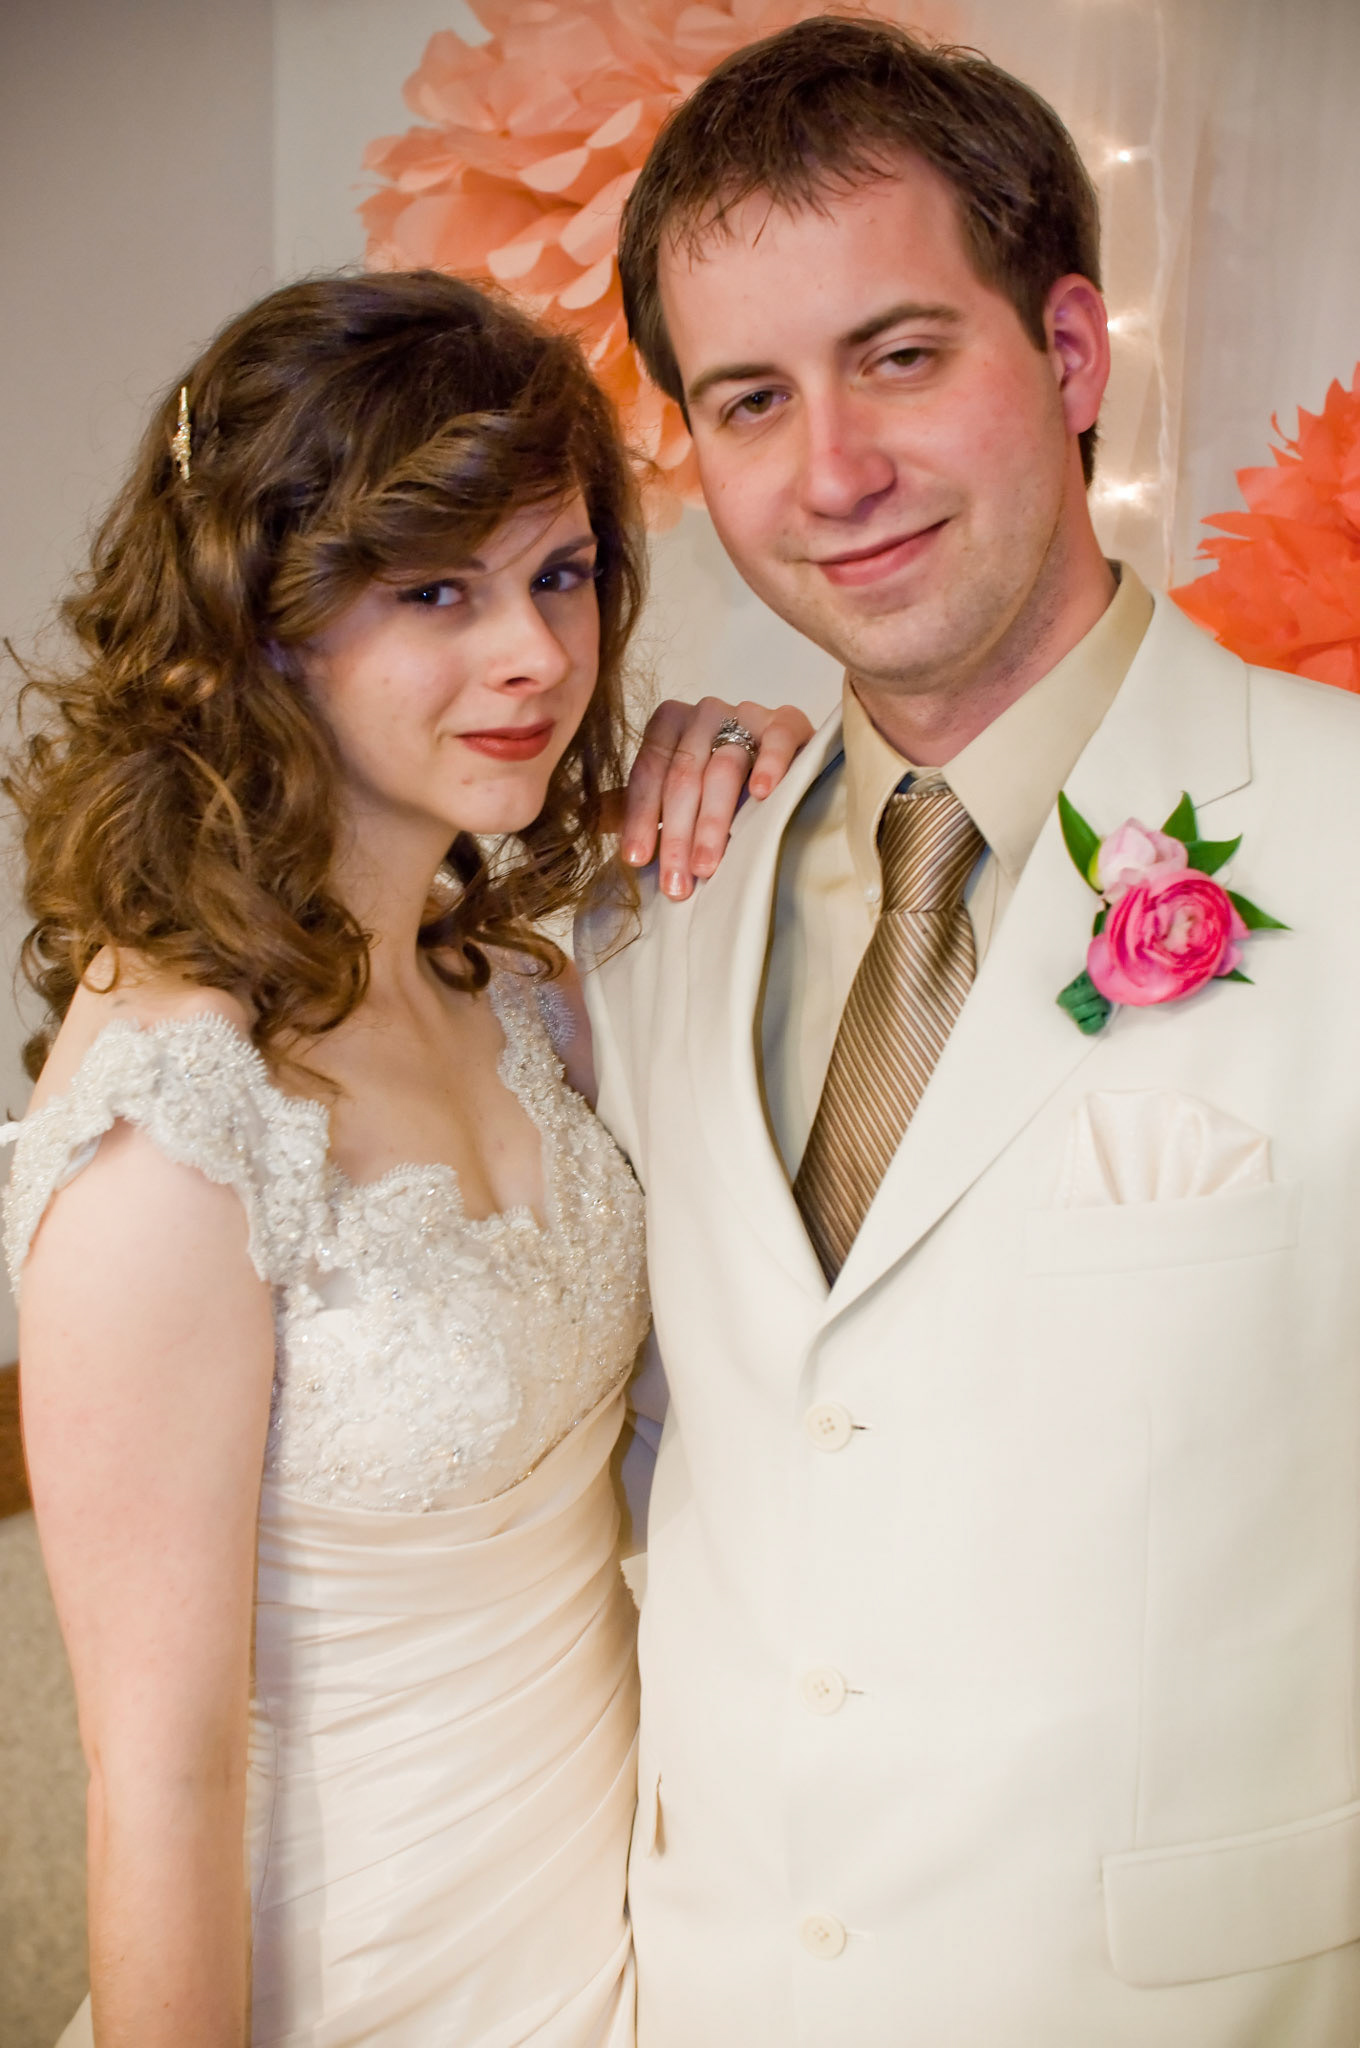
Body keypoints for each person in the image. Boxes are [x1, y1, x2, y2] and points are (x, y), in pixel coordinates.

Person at [583, 16, 1360, 2045]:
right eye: (751, 399)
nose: (831, 473)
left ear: (1073, 352)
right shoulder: (652, 898)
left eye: (901, 356)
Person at [4, 268, 809, 2048]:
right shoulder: (173, 1120)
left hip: (622, 1941)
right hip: (352, 1980)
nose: (536, 654)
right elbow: (160, 1781)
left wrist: (766, 793)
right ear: (264, 621)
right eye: (437, 589)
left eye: (561, 574)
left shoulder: (520, 996)